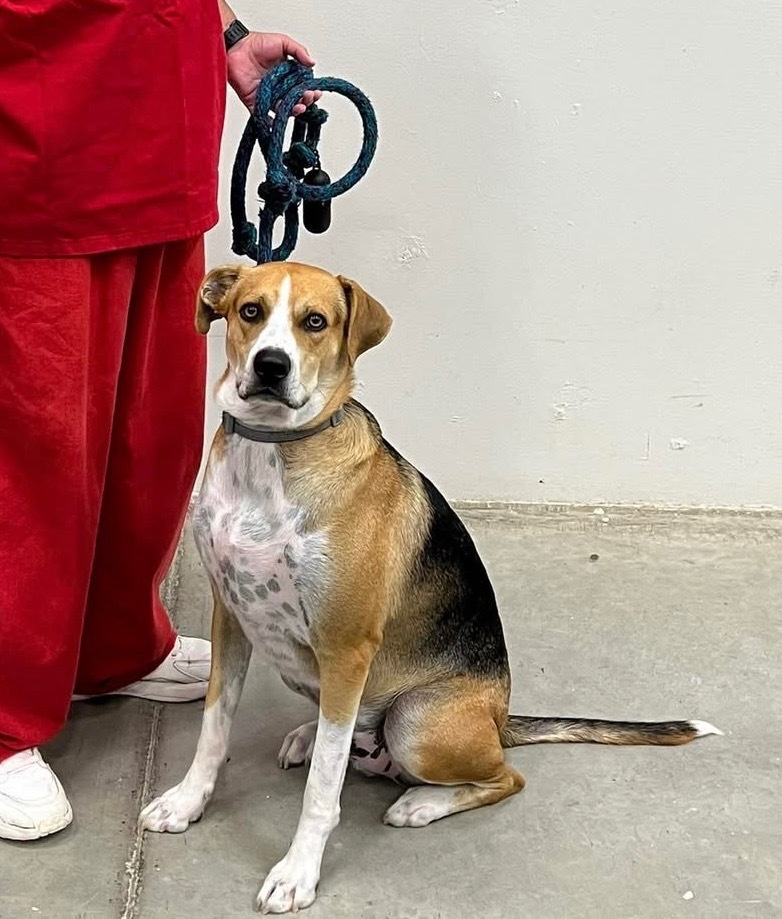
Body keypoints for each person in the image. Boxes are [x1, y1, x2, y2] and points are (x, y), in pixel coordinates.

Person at [0, 0, 316, 841]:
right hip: (35, 134)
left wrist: (228, 37)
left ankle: (112, 646)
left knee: (154, 440)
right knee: (32, 458)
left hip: (158, 125)